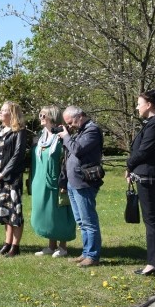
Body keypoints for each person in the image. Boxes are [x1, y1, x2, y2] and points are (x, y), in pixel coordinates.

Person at [126, 89, 155, 276]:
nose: (137, 107)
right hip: (144, 175)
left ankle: (154, 263)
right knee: (152, 220)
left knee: (151, 221)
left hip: (148, 177)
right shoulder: (152, 123)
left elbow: (144, 151)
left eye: (139, 103)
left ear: (149, 104)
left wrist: (129, 165)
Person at [58, 105, 105, 268]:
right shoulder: (79, 132)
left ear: (79, 117)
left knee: (88, 220)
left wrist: (65, 136)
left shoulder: (92, 131)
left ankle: (93, 255)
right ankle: (86, 253)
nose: (69, 126)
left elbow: (77, 150)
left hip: (84, 182)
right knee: (81, 221)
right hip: (74, 182)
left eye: (70, 122)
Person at [30, 105, 76, 257]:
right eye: (40, 115)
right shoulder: (40, 135)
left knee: (59, 211)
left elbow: (67, 159)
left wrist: (64, 181)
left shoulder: (62, 135)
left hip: (57, 179)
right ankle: (51, 245)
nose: (41, 118)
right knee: (46, 211)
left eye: (44, 115)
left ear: (52, 117)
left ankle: (62, 247)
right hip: (40, 180)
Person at [0, 101, 29, 257]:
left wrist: (3, 173)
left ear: (12, 114)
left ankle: (15, 246)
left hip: (11, 177)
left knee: (15, 211)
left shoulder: (19, 131)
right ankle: (7, 242)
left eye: (3, 110)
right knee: (4, 211)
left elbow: (18, 155)